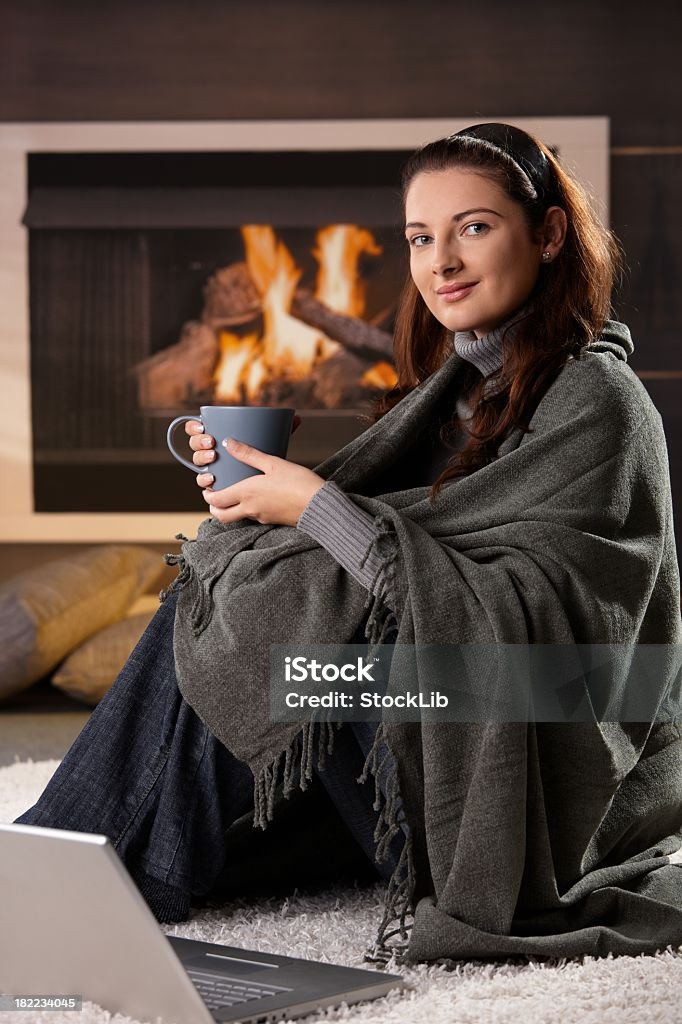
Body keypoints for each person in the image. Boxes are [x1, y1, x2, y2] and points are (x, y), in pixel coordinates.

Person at [16, 123, 682, 965]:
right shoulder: (460, 389)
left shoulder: (601, 402)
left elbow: (557, 644)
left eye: (473, 227)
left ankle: (66, 866)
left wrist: (315, 506)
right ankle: (89, 863)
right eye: (418, 237)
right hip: (427, 726)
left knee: (280, 620)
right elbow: (396, 554)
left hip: (529, 762)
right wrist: (272, 507)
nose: (440, 261)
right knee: (250, 586)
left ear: (548, 235)